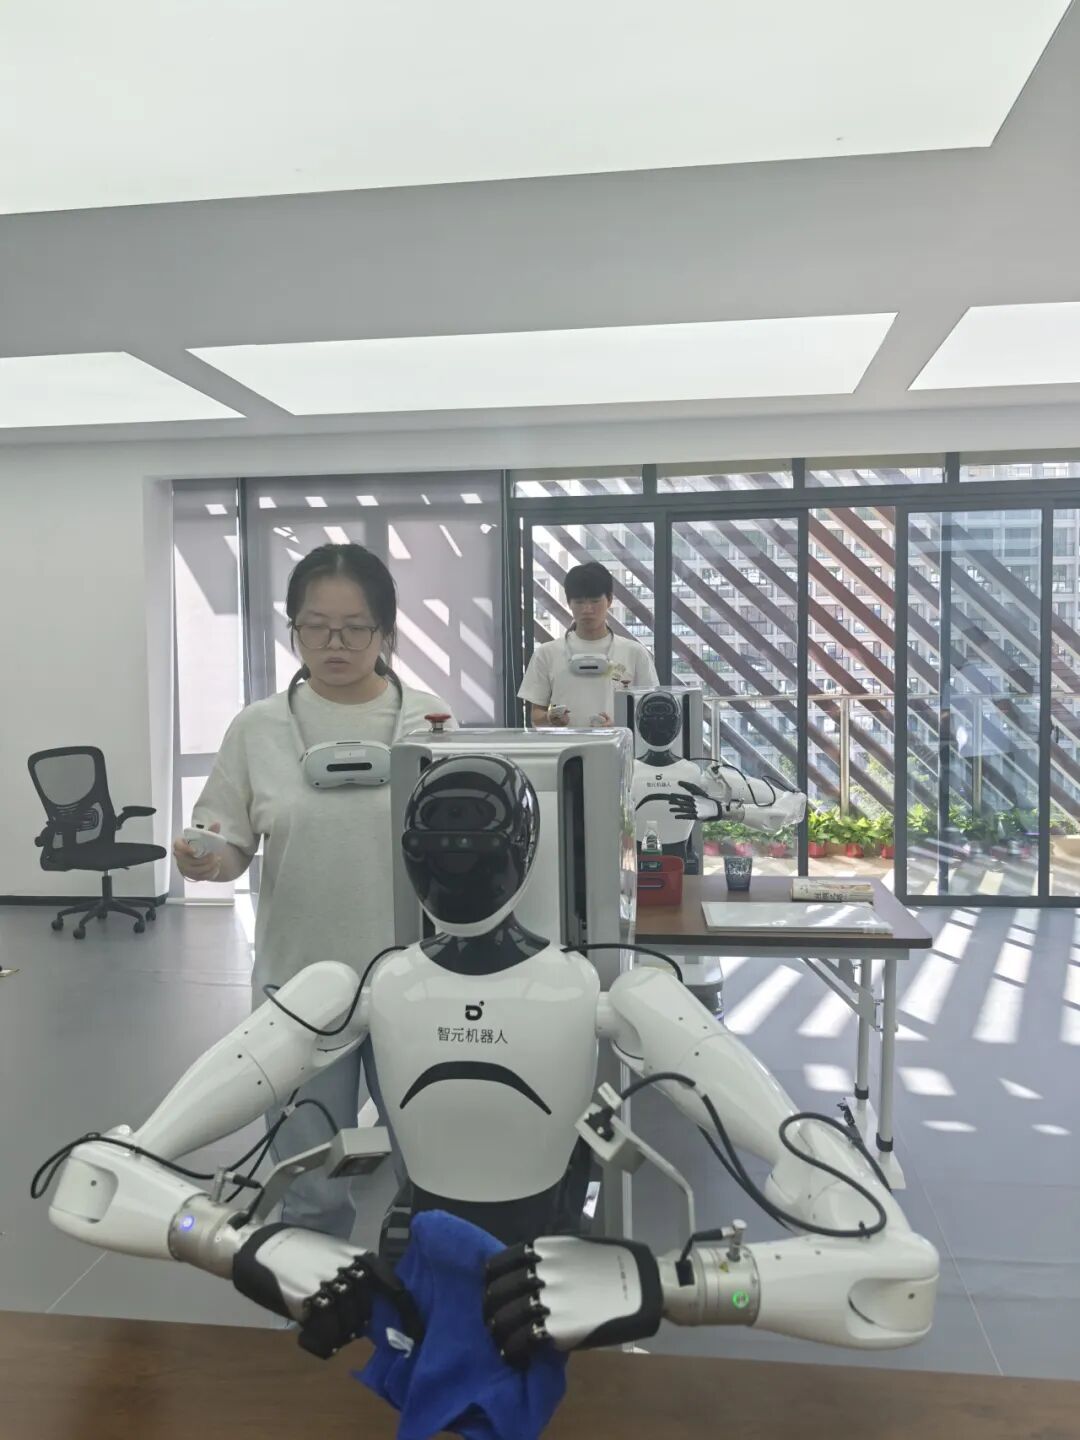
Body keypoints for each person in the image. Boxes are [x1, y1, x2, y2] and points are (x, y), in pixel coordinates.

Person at [172, 543, 456, 1240]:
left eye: (355, 628)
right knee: (308, 1180)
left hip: (414, 984)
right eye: (316, 627)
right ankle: (315, 1286)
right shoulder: (258, 728)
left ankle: (425, 1282)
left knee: (436, 1172)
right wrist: (208, 860)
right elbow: (231, 844)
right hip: (298, 988)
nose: (335, 644)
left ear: (385, 631)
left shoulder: (429, 722)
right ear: (293, 629)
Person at [518, 561, 658, 728]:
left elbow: (651, 712)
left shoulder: (634, 653)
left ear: (609, 600)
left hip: (617, 744)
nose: (587, 609)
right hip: (565, 744)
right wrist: (550, 717)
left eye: (595, 601)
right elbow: (535, 715)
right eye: (579, 602)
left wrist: (619, 726)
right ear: (569, 603)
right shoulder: (546, 653)